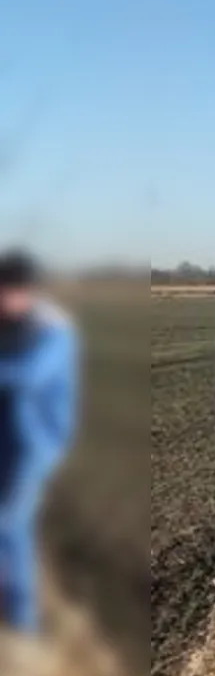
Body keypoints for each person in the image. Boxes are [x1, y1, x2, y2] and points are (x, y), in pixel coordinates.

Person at [0, 249, 77, 635]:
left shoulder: (51, 329)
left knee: (10, 526)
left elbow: (26, 376)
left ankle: (22, 625)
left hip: (36, 443)